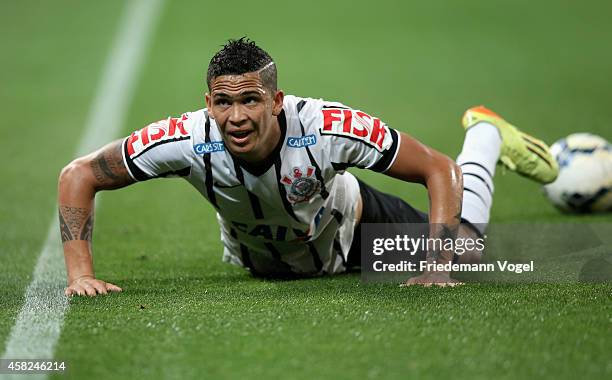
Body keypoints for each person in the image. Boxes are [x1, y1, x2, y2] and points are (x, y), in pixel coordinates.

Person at [58, 38, 558, 296]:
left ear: (275, 100)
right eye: (223, 103)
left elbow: (438, 168)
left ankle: (487, 132)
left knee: (468, 251)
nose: (236, 117)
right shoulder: (187, 138)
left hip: (362, 232)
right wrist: (81, 275)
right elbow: (77, 175)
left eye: (250, 101)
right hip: (265, 263)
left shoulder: (328, 128)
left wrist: (436, 268)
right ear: (207, 103)